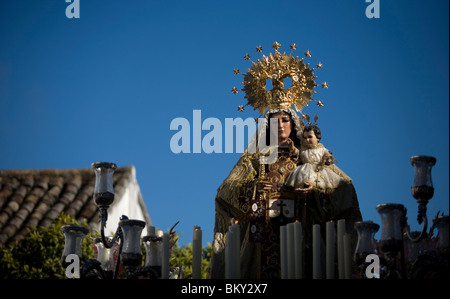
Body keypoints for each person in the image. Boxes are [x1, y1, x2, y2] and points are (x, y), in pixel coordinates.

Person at [208, 108, 304, 279]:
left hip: (300, 226)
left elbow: (335, 186)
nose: (280, 126)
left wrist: (311, 189)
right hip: (261, 226)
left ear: (294, 124)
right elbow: (225, 191)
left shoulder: (305, 157)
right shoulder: (255, 157)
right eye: (275, 122)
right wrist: (253, 187)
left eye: (285, 120)